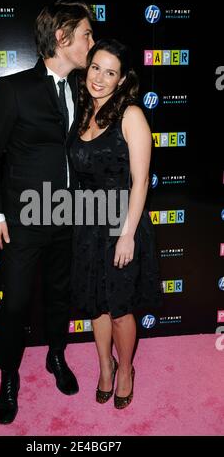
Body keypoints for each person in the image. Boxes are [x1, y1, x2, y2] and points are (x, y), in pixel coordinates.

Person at [0, 0, 94, 424]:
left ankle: (56, 357)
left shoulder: (84, 90)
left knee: (59, 298)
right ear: (62, 38)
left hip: (68, 216)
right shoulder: (13, 89)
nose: (91, 43)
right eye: (85, 34)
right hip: (23, 222)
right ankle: (9, 375)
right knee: (16, 303)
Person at [70, 39, 162, 409]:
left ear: (122, 80)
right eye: (96, 68)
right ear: (87, 67)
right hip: (87, 226)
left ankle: (125, 370)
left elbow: (140, 181)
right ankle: (104, 368)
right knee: (97, 306)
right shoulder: (82, 113)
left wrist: (127, 236)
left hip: (122, 226)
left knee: (121, 309)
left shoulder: (131, 115)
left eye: (111, 72)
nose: (100, 78)